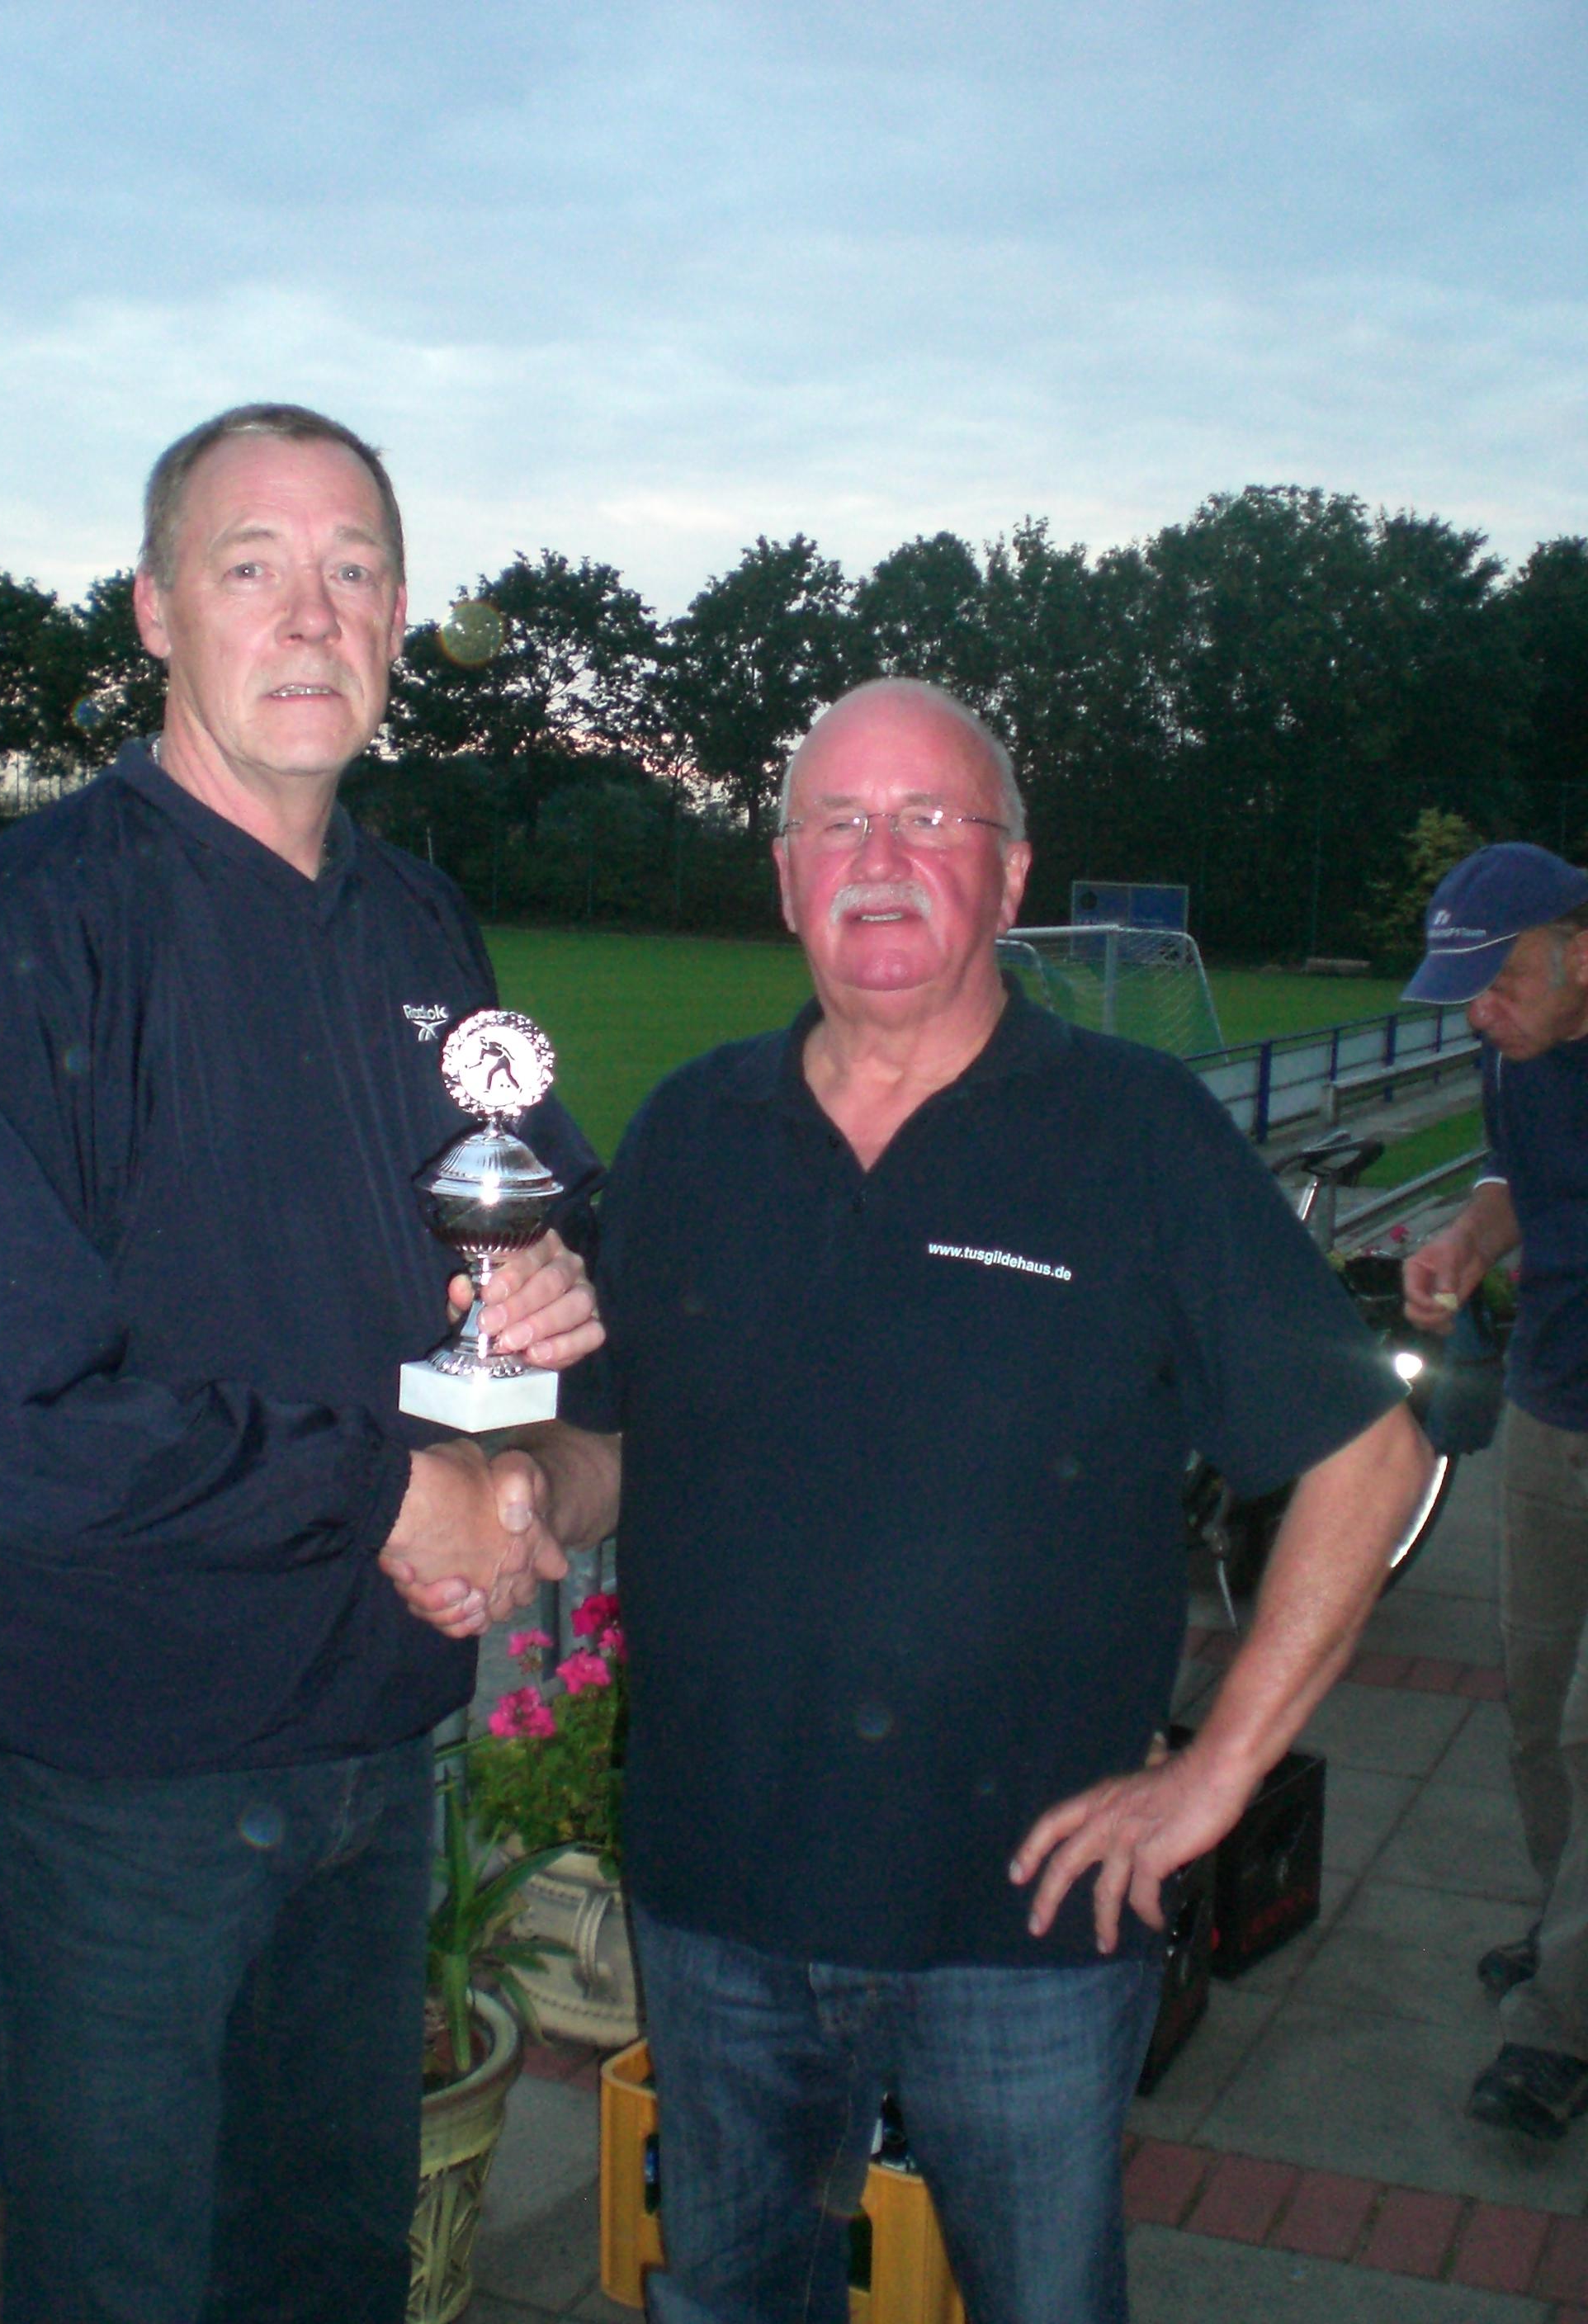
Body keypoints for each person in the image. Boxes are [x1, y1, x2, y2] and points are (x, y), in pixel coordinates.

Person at [402, 678, 1434, 2324]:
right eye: (839, 823)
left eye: (930, 819)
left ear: (1011, 874)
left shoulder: (1138, 1133)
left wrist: (1220, 1771)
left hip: (1024, 1921)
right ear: (786, 875)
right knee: (731, 2303)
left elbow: (1367, 1454)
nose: (880, 859)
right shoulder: (689, 1133)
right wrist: (519, 1488)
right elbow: (612, 1450)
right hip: (718, 1899)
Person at [0, 404, 603, 2324]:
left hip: (371, 1759)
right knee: (124, 2289)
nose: (310, 612)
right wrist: (391, 1491)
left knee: (327, 2272)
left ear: (401, 617)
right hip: (117, 1792)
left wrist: (539, 1335)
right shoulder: (20, 940)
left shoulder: (419, 922)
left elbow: (528, 1222)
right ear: (157, 610)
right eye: (251, 565)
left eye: (354, 569)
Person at [1401, 841, 1588, 2141]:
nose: (1480, 1011)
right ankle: (1568, 1923)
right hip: (1550, 1405)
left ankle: (1561, 2024)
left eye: (1501, 980)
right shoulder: (1515, 1053)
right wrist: (1468, 1237)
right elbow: (1516, 1173)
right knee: (1534, 1702)